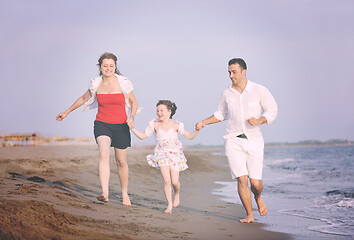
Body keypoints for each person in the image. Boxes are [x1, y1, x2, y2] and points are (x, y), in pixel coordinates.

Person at [196, 58, 278, 223]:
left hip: (254, 140)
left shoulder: (259, 90)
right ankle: (249, 214)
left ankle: (258, 197)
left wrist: (259, 120)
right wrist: (204, 122)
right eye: (229, 72)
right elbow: (220, 114)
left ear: (243, 72)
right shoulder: (227, 93)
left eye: (234, 72)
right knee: (242, 178)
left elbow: (272, 110)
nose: (231, 76)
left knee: (255, 183)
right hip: (233, 140)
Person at [56, 52, 138, 206]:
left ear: (115, 67)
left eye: (111, 66)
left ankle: (124, 193)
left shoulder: (123, 83)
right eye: (105, 65)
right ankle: (105, 193)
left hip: (121, 125)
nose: (108, 68)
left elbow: (134, 101)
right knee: (103, 153)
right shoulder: (96, 84)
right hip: (102, 124)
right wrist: (66, 112)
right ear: (100, 67)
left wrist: (131, 117)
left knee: (121, 161)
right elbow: (83, 98)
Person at [131, 100, 199, 213]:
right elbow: (143, 136)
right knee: (166, 180)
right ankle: (169, 204)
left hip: (175, 155)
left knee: (174, 182)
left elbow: (190, 136)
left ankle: (176, 193)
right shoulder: (154, 124)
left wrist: (197, 130)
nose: (159, 113)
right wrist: (132, 128)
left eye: (162, 110)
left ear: (169, 112)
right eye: (157, 110)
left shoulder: (177, 125)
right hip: (161, 154)